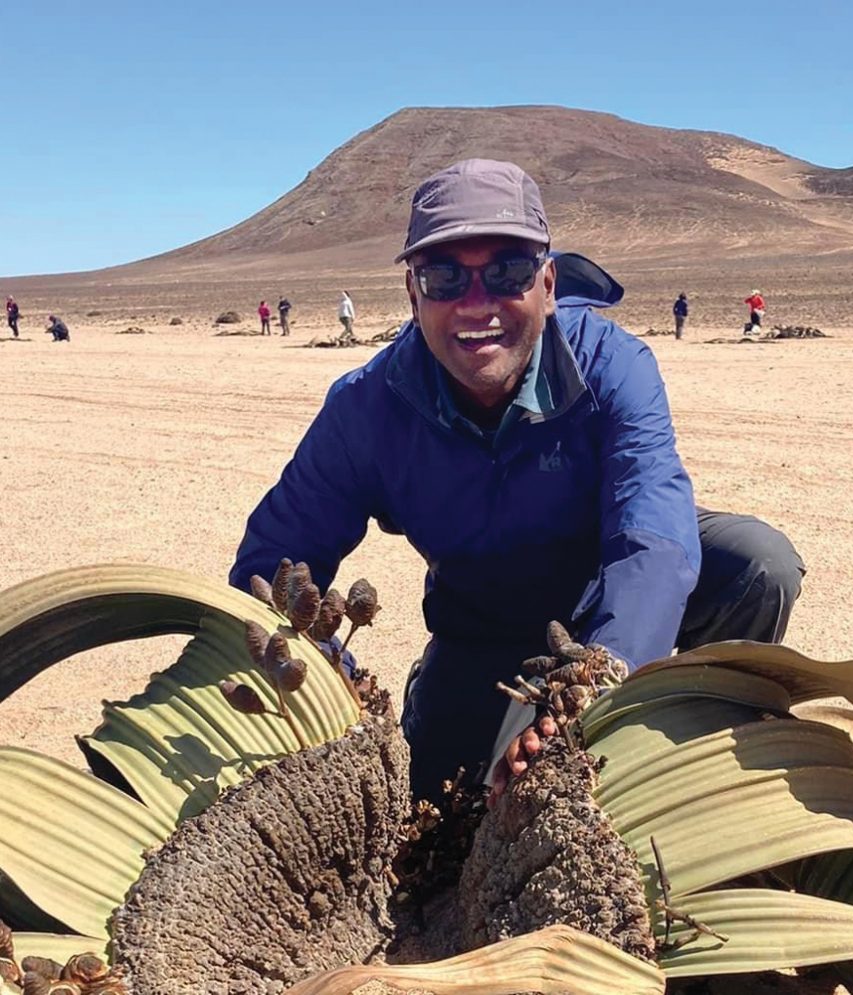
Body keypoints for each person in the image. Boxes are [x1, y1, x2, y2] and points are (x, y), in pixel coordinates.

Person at [230, 159, 804, 803]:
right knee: (444, 813)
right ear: (413, 295)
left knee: (758, 562)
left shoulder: (611, 368)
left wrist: (596, 684)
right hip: (482, 620)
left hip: (607, 593)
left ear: (549, 283)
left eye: (506, 271)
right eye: (444, 276)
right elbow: (276, 569)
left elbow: (654, 538)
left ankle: (690, 739)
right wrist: (337, 682)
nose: (476, 304)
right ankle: (437, 694)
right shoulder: (368, 408)